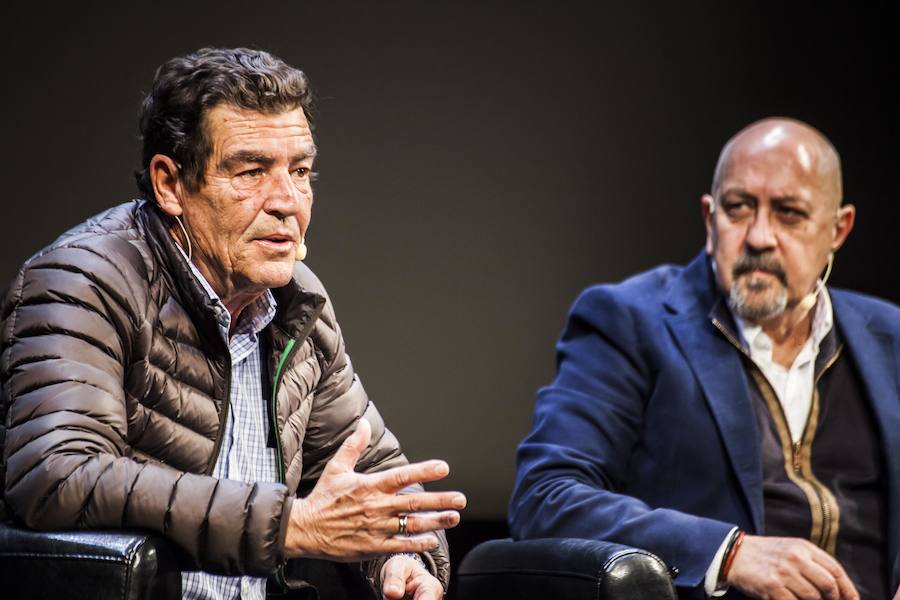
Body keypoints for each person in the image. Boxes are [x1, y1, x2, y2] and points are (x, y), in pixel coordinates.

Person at [0, 47, 466, 600]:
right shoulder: (83, 280)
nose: (287, 202)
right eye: (251, 172)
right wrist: (289, 525)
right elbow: (58, 474)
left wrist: (401, 559)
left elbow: (374, 479)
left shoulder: (297, 304)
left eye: (300, 171)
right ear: (170, 184)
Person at [509, 117, 900, 599]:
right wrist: (727, 552)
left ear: (838, 230)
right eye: (738, 208)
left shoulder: (891, 338)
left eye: (789, 213)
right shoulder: (630, 321)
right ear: (709, 219)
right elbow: (546, 496)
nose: (759, 237)